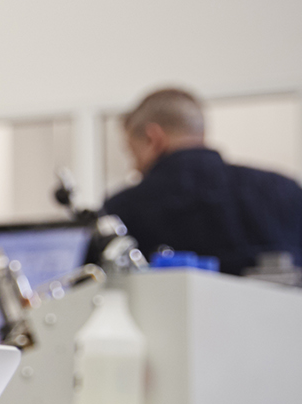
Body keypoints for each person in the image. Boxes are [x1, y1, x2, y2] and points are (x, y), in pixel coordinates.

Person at [102, 87, 302, 275]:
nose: (134, 167)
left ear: (154, 138)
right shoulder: (284, 190)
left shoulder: (123, 211)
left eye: (132, 153)